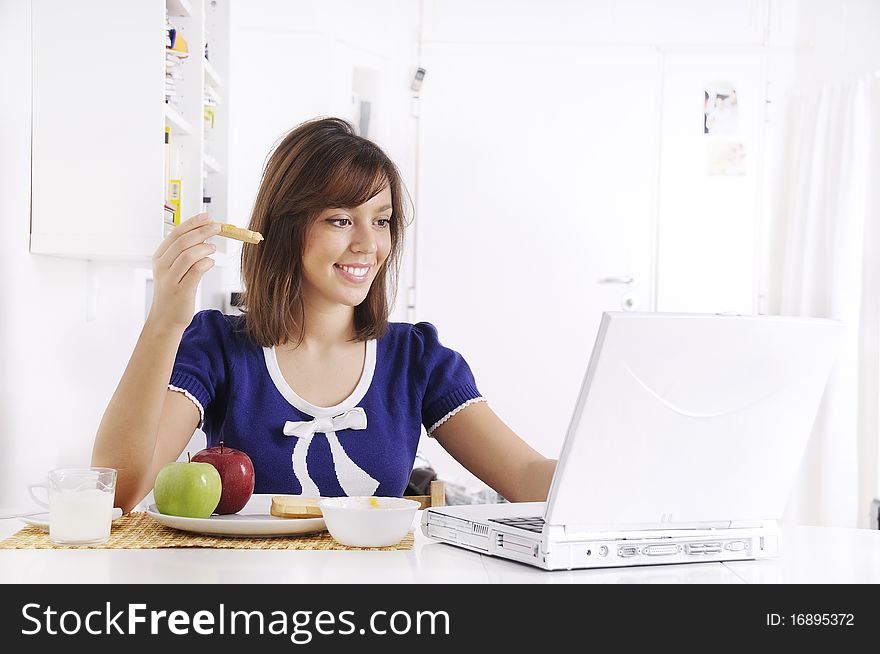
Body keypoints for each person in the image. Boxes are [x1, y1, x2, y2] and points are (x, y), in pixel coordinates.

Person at [92, 117, 557, 513]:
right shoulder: (216, 347)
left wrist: (612, 475)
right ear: (286, 227)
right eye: (340, 219)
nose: (368, 245)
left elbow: (525, 474)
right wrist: (165, 322)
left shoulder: (418, 359)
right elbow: (115, 495)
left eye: (381, 220)